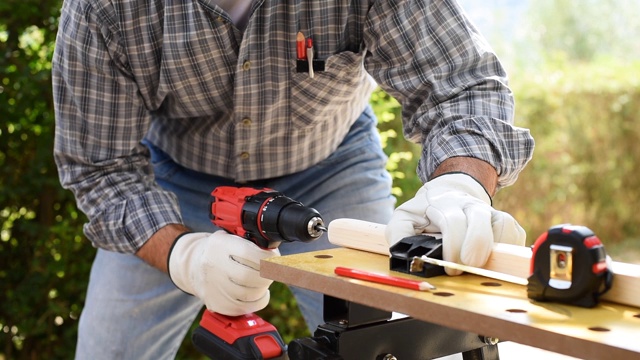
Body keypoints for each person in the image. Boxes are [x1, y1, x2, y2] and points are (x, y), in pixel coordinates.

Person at [52, 0, 534, 358]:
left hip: (331, 167)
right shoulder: (105, 8)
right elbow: (101, 166)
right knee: (108, 351)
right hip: (174, 186)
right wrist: (185, 256)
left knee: (399, 337)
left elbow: (461, 84)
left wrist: (461, 185)